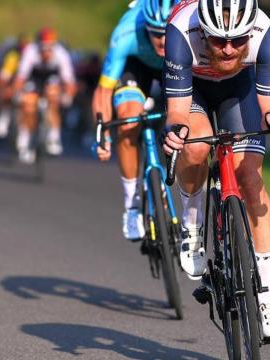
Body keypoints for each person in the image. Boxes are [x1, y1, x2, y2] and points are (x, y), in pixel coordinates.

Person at [162, 0, 270, 339]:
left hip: (240, 88)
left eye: (238, 40)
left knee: (250, 178)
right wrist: (174, 131)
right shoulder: (180, 31)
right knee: (196, 147)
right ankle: (192, 223)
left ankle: (267, 298)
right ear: (203, 32)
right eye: (218, 40)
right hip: (193, 89)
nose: (229, 49)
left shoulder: (265, 33)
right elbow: (177, 112)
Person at [92, 0, 180, 240]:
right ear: (145, 26)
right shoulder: (126, 33)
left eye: (167, 33)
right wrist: (104, 135)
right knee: (128, 122)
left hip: (175, 65)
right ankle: (132, 205)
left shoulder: (188, 28)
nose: (162, 40)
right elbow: (103, 91)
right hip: (136, 66)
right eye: (155, 33)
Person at [12, 27, 78, 163]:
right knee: (28, 104)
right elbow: (20, 77)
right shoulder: (30, 51)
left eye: (50, 48)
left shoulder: (61, 54)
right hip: (34, 78)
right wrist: (18, 93)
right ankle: (25, 139)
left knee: (53, 96)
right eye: (43, 48)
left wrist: (68, 96)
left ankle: (54, 137)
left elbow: (69, 81)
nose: (46, 52)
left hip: (51, 78)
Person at [0, 34, 31, 139]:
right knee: (5, 95)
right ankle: (3, 117)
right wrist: (2, 89)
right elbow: (5, 75)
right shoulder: (13, 57)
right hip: (13, 82)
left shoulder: (34, 58)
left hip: (29, 84)